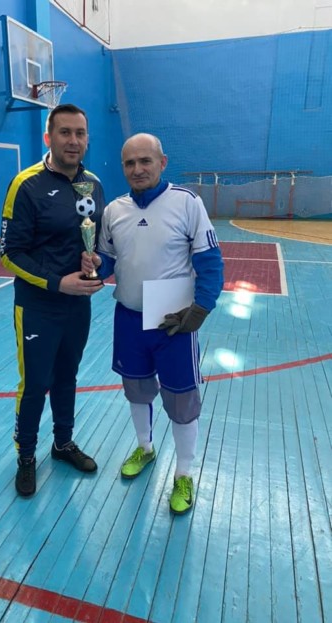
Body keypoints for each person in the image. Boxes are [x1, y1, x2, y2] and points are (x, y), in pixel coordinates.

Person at [82, 133, 224, 515]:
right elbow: (109, 261)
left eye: (145, 161)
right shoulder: (114, 210)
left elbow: (210, 262)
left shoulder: (187, 203)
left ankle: (184, 473)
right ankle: (145, 449)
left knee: (181, 400)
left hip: (173, 322)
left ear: (162, 162)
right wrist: (96, 266)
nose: (138, 169)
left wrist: (201, 308)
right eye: (130, 163)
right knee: (137, 391)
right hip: (129, 317)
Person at [0, 103, 105, 498]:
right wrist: (58, 283)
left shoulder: (93, 184)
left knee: (67, 377)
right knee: (35, 384)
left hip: (78, 305)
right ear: (49, 137)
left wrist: (95, 261)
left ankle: (62, 443)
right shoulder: (25, 184)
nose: (73, 141)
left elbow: (95, 240)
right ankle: (26, 456)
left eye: (80, 133)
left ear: (87, 138)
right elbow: (10, 253)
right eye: (65, 132)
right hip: (38, 306)